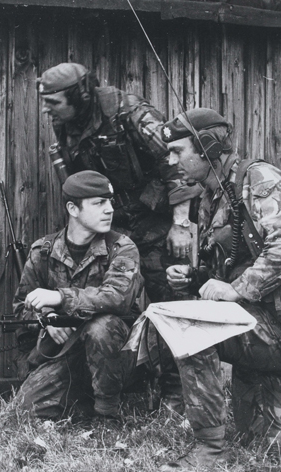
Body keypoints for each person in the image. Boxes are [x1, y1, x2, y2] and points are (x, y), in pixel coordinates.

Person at [158, 108, 281, 470]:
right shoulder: (211, 195)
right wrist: (193, 277)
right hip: (258, 324)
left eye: (178, 151)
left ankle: (209, 454)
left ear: (208, 148)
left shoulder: (258, 178)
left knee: (192, 332)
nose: (171, 160)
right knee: (266, 443)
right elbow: (230, 264)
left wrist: (237, 289)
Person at [38, 63, 201, 410]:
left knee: (169, 302)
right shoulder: (64, 122)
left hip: (157, 222)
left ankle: (177, 391)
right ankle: (117, 387)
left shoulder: (130, 113)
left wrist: (181, 224)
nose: (47, 109)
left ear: (79, 95)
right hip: (111, 225)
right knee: (108, 303)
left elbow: (174, 165)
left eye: (53, 101)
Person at [11, 170, 142, 419]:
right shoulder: (43, 252)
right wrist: (46, 319)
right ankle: (81, 401)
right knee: (25, 409)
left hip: (117, 357)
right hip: (66, 353)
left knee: (101, 326)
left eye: (110, 202)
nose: (109, 209)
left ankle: (106, 411)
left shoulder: (121, 247)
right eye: (99, 203)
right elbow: (21, 306)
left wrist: (60, 298)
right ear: (73, 208)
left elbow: (117, 298)